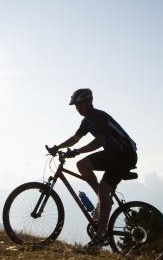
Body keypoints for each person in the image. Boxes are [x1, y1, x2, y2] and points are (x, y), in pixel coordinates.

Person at [53, 88, 137, 251]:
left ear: (87, 102)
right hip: (112, 154)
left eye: (78, 105)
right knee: (82, 165)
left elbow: (99, 141)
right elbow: (75, 139)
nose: (76, 108)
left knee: (104, 189)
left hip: (124, 155)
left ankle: (101, 236)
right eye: (75, 106)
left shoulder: (98, 117)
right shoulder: (87, 121)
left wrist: (77, 151)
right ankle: (103, 198)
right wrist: (57, 147)